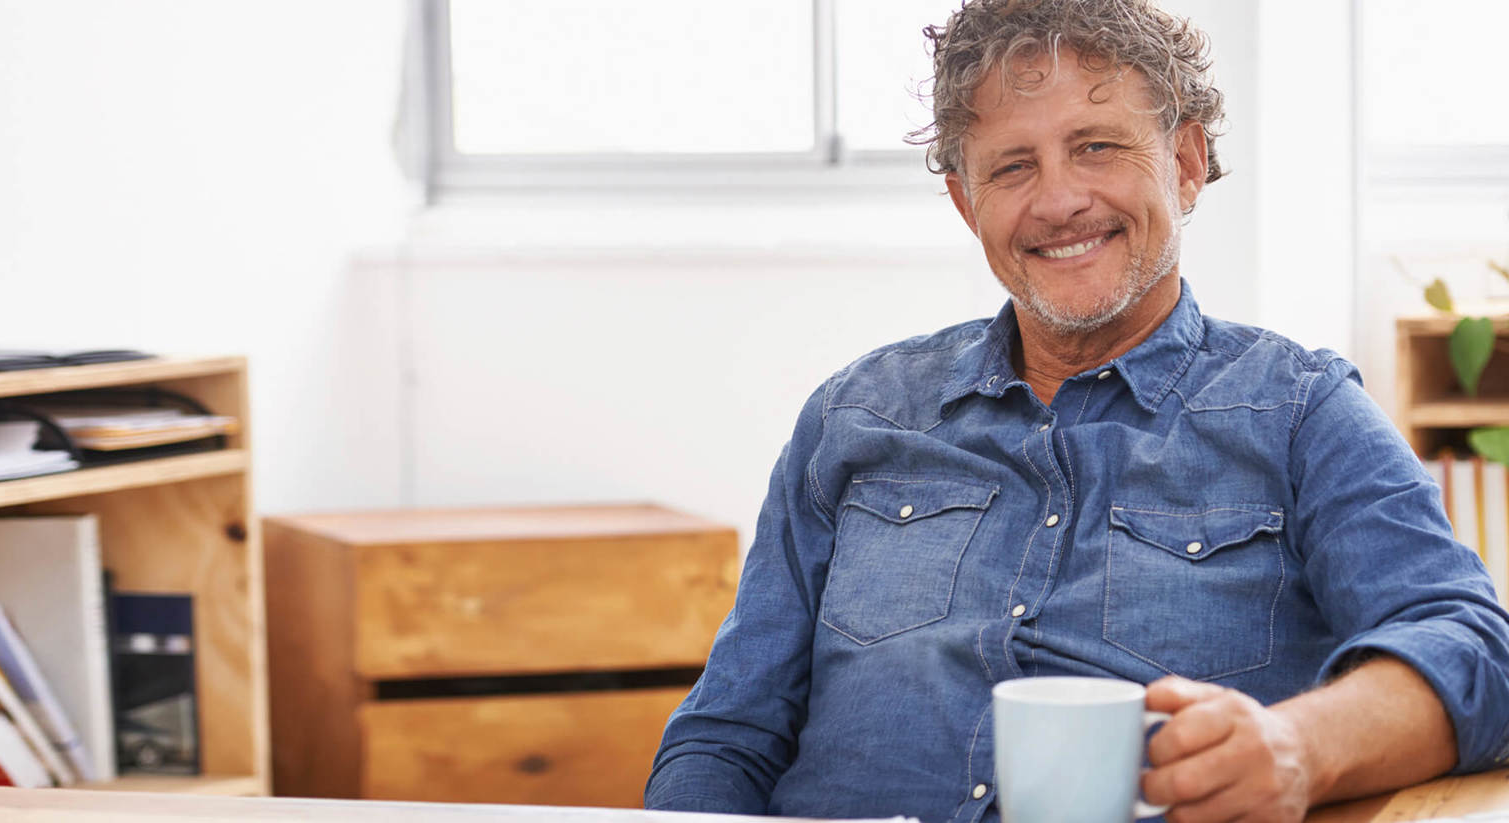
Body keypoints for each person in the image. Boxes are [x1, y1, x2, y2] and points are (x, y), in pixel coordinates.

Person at [643, 1, 1509, 821]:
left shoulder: (1301, 411)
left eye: (1096, 147)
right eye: (1013, 166)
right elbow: (727, 735)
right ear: (965, 201)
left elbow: (1477, 654)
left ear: (1186, 162)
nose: (1058, 201)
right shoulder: (853, 417)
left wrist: (1296, 746)